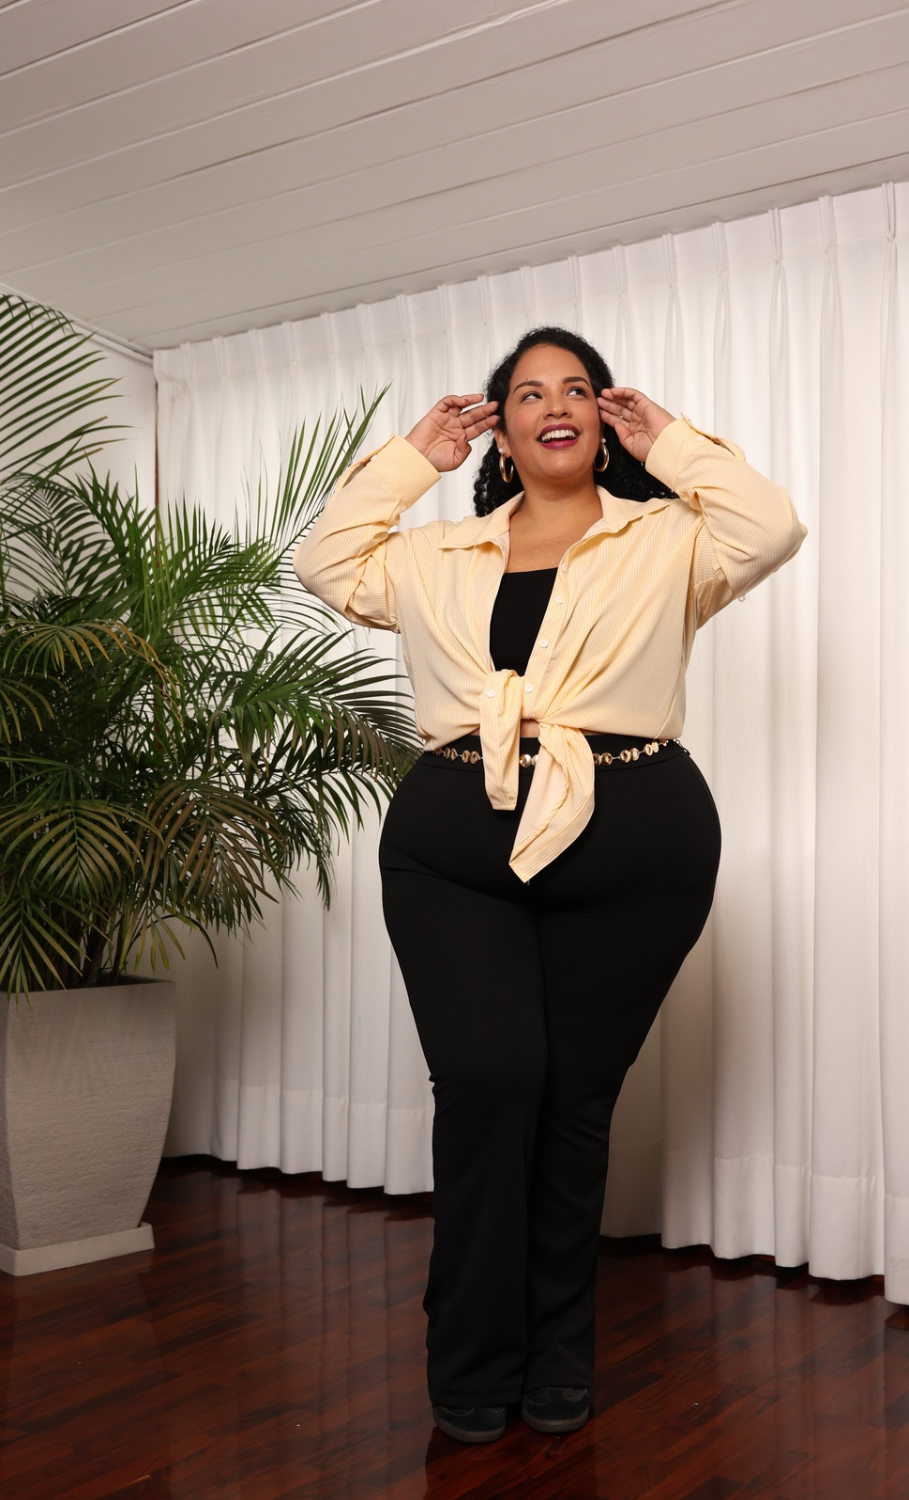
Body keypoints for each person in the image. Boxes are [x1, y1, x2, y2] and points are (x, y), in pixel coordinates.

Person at [294, 326, 806, 1445]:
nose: (555, 405)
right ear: (501, 432)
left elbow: (770, 525)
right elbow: (324, 562)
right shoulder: (434, 553)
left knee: (576, 1103)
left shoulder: (669, 540)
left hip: (634, 840)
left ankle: (557, 1352)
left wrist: (668, 442)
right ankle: (473, 1352)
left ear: (603, 422)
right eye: (528, 394)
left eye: (577, 389)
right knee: (487, 1084)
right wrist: (411, 459)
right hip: (455, 842)